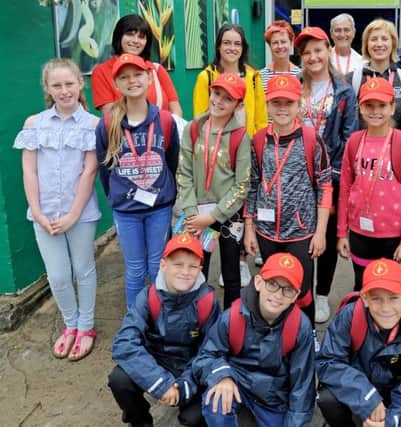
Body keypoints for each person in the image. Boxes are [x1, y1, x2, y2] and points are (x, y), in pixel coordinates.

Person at [14, 58, 101, 361]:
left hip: (79, 213)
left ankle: (87, 327)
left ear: (80, 84)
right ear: (47, 89)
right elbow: (29, 172)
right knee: (59, 276)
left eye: (69, 84)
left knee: (83, 269)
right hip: (45, 214)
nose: (64, 91)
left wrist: (74, 214)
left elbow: (89, 172)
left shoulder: (92, 125)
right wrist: (37, 211)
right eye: (57, 85)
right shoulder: (34, 124)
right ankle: (71, 324)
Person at [243, 73, 332, 326]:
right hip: (266, 231)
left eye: (289, 103)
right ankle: (277, 334)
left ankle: (308, 335)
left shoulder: (311, 139)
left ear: (298, 105)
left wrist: (321, 231)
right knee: (271, 288)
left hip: (302, 232)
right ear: (268, 105)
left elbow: (325, 185)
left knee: (302, 290)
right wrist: (249, 229)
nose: (282, 108)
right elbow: (253, 185)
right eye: (276, 103)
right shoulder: (259, 140)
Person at [108, 234, 220, 427]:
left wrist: (184, 386)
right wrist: (160, 382)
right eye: (178, 264)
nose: (185, 272)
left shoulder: (207, 301)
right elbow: (124, 343)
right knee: (119, 379)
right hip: (156, 362)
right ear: (163, 265)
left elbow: (211, 351)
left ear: (200, 269)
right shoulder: (148, 296)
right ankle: (140, 422)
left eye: (192, 266)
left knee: (195, 417)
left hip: (190, 366)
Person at [194, 253, 315, 427]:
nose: (278, 295)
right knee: (216, 402)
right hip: (237, 383)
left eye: (288, 289)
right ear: (258, 282)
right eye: (272, 284)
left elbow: (302, 385)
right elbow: (206, 356)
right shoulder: (233, 317)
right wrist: (222, 376)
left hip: (274, 398)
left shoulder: (300, 327)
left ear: (295, 296)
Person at [96, 54, 180, 306]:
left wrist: (167, 194)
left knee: (157, 268)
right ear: (117, 84)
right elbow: (105, 169)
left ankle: (157, 319)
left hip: (159, 209)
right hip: (126, 211)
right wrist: (117, 197)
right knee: (134, 270)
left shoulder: (164, 120)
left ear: (148, 78)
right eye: (124, 77)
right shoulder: (109, 123)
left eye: (137, 74)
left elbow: (171, 161)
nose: (131, 81)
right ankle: (136, 323)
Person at [294, 26, 359, 324]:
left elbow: (349, 138)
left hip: (329, 176)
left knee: (329, 236)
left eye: (318, 50)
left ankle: (322, 295)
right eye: (306, 53)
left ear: (328, 50)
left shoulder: (344, 90)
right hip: (296, 174)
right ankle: (300, 290)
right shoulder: (295, 85)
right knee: (301, 235)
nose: (313, 57)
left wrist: (329, 175)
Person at [316, 258, 401, 427]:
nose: (385, 308)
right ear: (365, 298)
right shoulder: (350, 316)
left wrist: (392, 421)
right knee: (326, 398)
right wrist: (367, 396)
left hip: (394, 390)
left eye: (393, 298)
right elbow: (327, 362)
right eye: (376, 299)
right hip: (359, 385)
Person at [337, 77, 401, 290]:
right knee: (362, 286)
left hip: (392, 236)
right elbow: (345, 189)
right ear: (360, 108)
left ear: (393, 107)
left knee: (388, 288)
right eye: (369, 105)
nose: (375, 111)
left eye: (382, 105)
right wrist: (341, 233)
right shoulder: (354, 141)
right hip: (359, 233)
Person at [176, 73, 251, 309]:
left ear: (238, 105)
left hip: (228, 214)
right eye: (216, 93)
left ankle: (231, 322)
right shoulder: (194, 128)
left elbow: (242, 185)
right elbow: (184, 173)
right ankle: (196, 317)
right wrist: (191, 213)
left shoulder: (240, 136)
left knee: (231, 274)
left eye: (228, 99)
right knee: (197, 269)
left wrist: (213, 215)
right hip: (196, 213)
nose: (219, 101)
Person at [90, 14, 182, 116]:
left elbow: (176, 110)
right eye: (130, 34)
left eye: (141, 37)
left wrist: (164, 128)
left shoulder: (156, 69)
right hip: (125, 131)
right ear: (119, 36)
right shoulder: (101, 72)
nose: (135, 41)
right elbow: (110, 116)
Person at [192, 23, 268, 137]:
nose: (232, 48)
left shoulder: (253, 78)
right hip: (216, 147)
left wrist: (256, 145)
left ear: (243, 48)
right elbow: (200, 119)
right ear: (219, 46)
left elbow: (261, 121)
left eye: (237, 44)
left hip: (247, 147)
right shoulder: (206, 77)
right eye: (226, 43)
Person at [347, 18, 401, 128]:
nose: (379, 44)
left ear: (393, 43)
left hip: (396, 143)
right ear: (366, 44)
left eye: (385, 39)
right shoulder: (353, 79)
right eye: (373, 39)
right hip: (363, 143)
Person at [260, 20, 301, 93]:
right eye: (275, 43)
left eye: (283, 42)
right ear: (270, 46)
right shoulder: (260, 77)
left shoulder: (300, 75)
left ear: (291, 43)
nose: (280, 46)